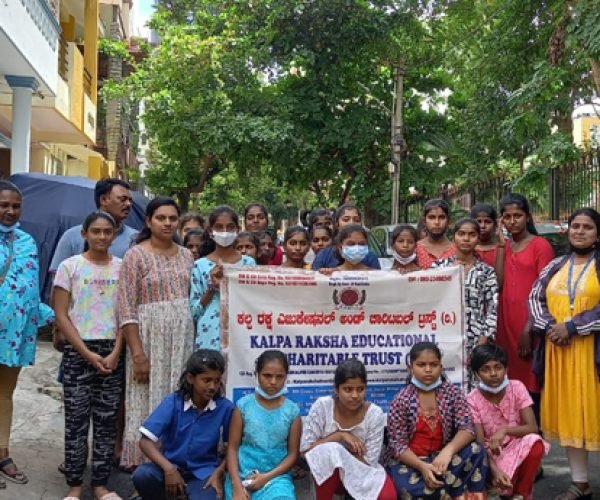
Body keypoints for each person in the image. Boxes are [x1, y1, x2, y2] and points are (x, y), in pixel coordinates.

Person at [118, 197, 195, 468]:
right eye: (161, 218)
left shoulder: (187, 255)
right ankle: (142, 463)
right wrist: (138, 354)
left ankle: (172, 459)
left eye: (173, 218)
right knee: (145, 397)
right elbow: (126, 308)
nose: (167, 223)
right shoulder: (135, 255)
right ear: (149, 221)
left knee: (177, 394)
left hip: (182, 340)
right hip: (148, 340)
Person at [529, 208, 600, 500]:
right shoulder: (556, 265)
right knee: (572, 415)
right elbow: (535, 297)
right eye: (575, 226)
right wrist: (550, 327)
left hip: (591, 352)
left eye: (587, 227)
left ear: (597, 234)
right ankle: (580, 483)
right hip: (559, 353)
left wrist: (572, 327)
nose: (580, 231)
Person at [53, 211, 124, 500]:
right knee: (76, 422)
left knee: (107, 422)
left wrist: (117, 351)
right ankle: (74, 486)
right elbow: (61, 314)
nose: (102, 237)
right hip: (78, 351)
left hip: (113, 352)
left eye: (107, 231)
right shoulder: (70, 267)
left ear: (114, 235)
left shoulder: (122, 268)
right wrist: (86, 352)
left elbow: (127, 315)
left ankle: (100, 485)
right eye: (96, 231)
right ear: (84, 234)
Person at [0, 181, 54, 488]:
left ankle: (2, 453)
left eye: (15, 206)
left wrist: (52, 317)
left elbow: (30, 288)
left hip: (15, 334)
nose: (10, 211)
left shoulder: (27, 241)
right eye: (4, 205)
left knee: (5, 394)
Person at [385, 342, 488, 499]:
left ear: (441, 367)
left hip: (444, 459)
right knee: (405, 487)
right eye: (421, 365)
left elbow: (467, 428)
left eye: (433, 365)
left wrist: (447, 452)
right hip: (413, 462)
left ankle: (447, 491)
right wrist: (422, 467)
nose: (428, 370)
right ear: (410, 368)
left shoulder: (452, 393)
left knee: (477, 450)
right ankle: (455, 491)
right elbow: (397, 445)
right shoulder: (401, 400)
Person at [132, 350, 234, 500]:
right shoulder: (174, 402)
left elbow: (232, 448)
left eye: (217, 380)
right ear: (191, 378)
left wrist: (219, 472)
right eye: (206, 380)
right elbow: (145, 442)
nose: (212, 386)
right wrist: (169, 469)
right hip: (169, 467)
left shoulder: (225, 407)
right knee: (143, 475)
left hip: (203, 473)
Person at [301, 358, 396, 500]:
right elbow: (306, 451)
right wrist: (339, 436)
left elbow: (369, 461)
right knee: (329, 453)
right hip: (329, 475)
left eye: (360, 389)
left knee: (388, 497)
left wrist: (342, 456)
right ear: (336, 388)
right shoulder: (323, 406)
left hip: (362, 471)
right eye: (348, 389)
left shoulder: (374, 413)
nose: (355, 395)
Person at [496, 193, 553, 423]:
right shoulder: (505, 246)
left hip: (529, 323)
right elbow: (499, 283)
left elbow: (546, 289)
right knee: (508, 379)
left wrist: (529, 328)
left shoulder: (540, 246)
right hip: (505, 322)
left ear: (527, 216)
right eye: (507, 216)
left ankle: (535, 430)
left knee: (531, 380)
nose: (512, 221)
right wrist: (501, 246)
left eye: (517, 215)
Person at [467, 344, 548, 500]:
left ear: (506, 369)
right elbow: (479, 443)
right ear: (476, 374)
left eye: (498, 367)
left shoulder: (517, 387)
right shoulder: (472, 399)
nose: (493, 373)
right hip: (491, 455)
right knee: (478, 456)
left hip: (516, 447)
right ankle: (497, 488)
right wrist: (494, 470)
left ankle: (521, 494)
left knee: (535, 442)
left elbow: (532, 427)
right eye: (485, 369)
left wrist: (504, 430)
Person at [225, 350, 301, 500]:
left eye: (279, 377)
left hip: (276, 478)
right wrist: (236, 486)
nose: (273, 381)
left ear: (286, 377)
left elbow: (293, 454)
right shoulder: (243, 406)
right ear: (257, 375)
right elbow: (232, 448)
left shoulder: (292, 412)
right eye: (267, 375)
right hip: (241, 476)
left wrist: (266, 477)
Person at [433, 218, 498, 389]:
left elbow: (493, 307)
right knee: (445, 384)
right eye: (461, 234)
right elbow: (428, 299)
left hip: (476, 337)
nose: (466, 239)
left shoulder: (486, 271)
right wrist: (450, 272)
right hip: (445, 335)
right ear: (454, 237)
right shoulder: (438, 267)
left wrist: (483, 339)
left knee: (474, 386)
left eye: (471, 234)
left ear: (478, 238)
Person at [190, 206, 255, 350]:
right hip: (209, 336)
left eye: (230, 227)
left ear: (237, 230)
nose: (225, 232)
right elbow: (194, 312)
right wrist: (211, 288)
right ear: (210, 231)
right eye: (219, 227)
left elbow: (254, 302)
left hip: (242, 333)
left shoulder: (248, 263)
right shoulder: (199, 266)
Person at [49, 178, 136, 273]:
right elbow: (58, 277)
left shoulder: (136, 238)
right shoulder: (72, 237)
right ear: (103, 200)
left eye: (130, 200)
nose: (128, 204)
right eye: (122, 199)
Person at [312, 204, 381, 270]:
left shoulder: (370, 257)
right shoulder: (324, 256)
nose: (351, 223)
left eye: (356, 220)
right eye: (346, 220)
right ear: (337, 224)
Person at [415, 199, 456, 269]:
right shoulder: (415, 249)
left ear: (448, 221)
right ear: (424, 221)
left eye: (441, 217)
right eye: (431, 217)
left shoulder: (457, 250)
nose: (437, 222)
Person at [470, 203, 500, 268]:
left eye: (487, 222)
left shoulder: (502, 250)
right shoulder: (465, 249)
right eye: (478, 221)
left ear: (495, 224)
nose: (482, 226)